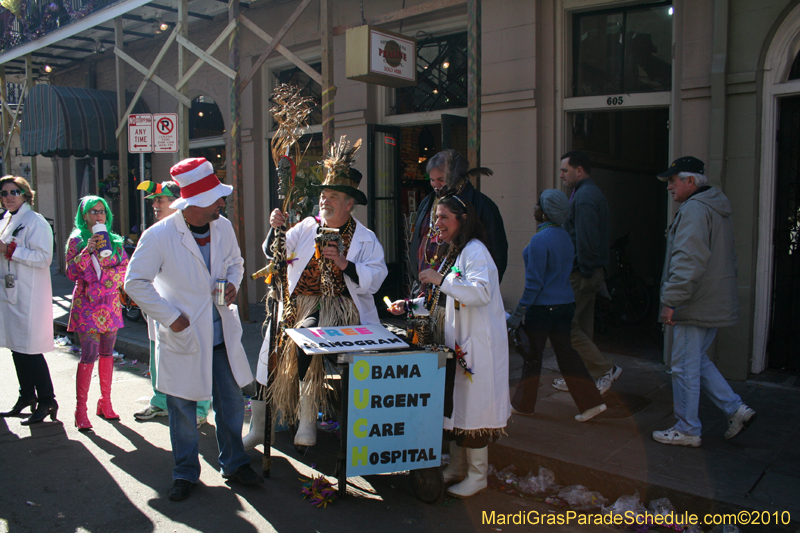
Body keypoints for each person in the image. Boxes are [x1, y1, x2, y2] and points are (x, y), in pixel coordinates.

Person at [124, 158, 263, 501]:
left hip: (221, 335)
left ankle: (235, 463)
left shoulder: (223, 228)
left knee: (231, 405)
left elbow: (236, 263)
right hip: (183, 336)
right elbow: (134, 282)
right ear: (197, 202)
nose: (222, 203)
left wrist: (233, 284)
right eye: (216, 198)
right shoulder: (159, 236)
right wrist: (170, 316)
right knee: (183, 411)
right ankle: (185, 471)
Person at [251, 137, 388, 450]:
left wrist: (343, 263)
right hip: (298, 305)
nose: (325, 201)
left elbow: (376, 278)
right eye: (324, 195)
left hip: (343, 309)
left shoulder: (365, 238)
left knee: (311, 338)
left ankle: (313, 420)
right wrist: (276, 228)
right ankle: (262, 426)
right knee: (273, 350)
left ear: (349, 204)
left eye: (333, 197)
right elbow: (275, 253)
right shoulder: (305, 227)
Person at [390, 195, 510, 499]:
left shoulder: (475, 251)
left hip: (476, 346)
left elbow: (481, 293)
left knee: (474, 410)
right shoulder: (452, 252)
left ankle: (478, 475)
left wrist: (440, 279)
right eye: (435, 217)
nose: (437, 223)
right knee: (455, 407)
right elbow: (441, 299)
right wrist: (409, 305)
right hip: (455, 344)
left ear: (462, 219)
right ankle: (457, 467)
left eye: (444, 217)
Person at [652, 156, 756, 447]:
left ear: (690, 181)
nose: (669, 187)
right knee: (696, 360)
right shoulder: (715, 207)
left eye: (673, 180)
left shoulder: (695, 209)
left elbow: (688, 260)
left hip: (694, 302)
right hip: (712, 299)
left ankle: (687, 429)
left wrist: (672, 301)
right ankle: (735, 409)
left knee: (683, 367)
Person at [507, 190, 607, 422]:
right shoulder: (565, 236)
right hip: (565, 304)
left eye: (537, 205)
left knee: (533, 357)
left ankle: (524, 405)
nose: (534, 208)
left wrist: (518, 313)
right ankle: (591, 403)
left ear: (545, 213)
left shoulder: (540, 239)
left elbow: (534, 284)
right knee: (567, 355)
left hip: (542, 308)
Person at [132, 180, 212, 428]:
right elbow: (137, 279)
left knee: (197, 362)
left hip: (190, 313)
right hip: (161, 311)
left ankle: (200, 408)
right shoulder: (154, 233)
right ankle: (161, 402)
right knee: (158, 356)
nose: (155, 205)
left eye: (160, 199)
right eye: (153, 201)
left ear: (177, 202)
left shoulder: (198, 232)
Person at [554, 151, 621, 395]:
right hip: (585, 271)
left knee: (565, 326)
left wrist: (584, 270)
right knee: (581, 326)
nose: (561, 175)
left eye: (565, 170)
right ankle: (580, 378)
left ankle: (606, 369)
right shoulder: (585, 193)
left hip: (581, 273)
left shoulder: (584, 197)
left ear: (579, 171)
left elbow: (586, 240)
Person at [65, 195, 128, 431]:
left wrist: (99, 283)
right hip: (86, 305)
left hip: (110, 304)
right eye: (93, 211)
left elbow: (124, 270)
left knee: (108, 353)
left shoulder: (115, 241)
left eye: (102, 211)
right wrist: (86, 251)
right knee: (89, 354)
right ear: (84, 215)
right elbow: (71, 272)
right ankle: (80, 410)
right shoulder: (76, 240)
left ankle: (105, 402)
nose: (99, 215)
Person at [0, 176, 58, 425]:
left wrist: (9, 250)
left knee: (30, 350)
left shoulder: (36, 222)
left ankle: (47, 399)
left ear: (25, 194)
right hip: (10, 293)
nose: (8, 197)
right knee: (17, 348)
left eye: (14, 192)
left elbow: (44, 257)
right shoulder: (6, 220)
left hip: (29, 294)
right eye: (4, 193)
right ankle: (26, 396)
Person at [411, 149, 508, 284]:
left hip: (460, 288)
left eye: (441, 180)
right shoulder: (427, 202)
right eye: (432, 180)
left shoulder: (483, 207)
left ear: (458, 178)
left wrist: (487, 287)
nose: (435, 185)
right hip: (424, 285)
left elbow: (497, 253)